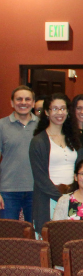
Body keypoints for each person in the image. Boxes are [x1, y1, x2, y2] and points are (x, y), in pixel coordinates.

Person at [29, 93, 81, 231]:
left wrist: (75, 196)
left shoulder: (73, 138)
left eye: (63, 108)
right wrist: (62, 199)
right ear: (47, 112)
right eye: (55, 109)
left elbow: (80, 169)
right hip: (49, 200)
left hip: (73, 198)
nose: (60, 113)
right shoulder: (39, 141)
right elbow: (40, 179)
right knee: (49, 243)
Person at [1, 86, 39, 223]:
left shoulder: (42, 126)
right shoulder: (1, 126)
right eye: (19, 99)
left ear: (33, 103)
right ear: (12, 103)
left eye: (27, 99)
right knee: (8, 237)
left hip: (36, 190)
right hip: (7, 191)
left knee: (35, 236)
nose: (23, 102)